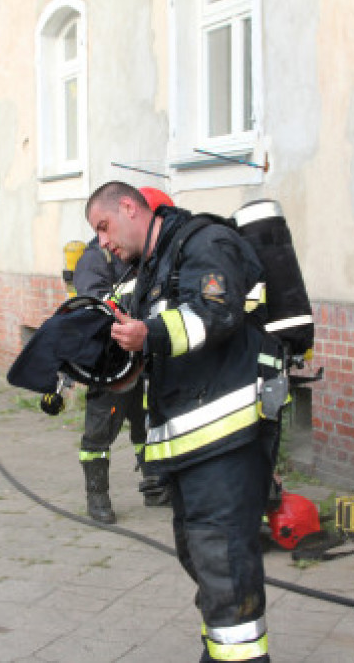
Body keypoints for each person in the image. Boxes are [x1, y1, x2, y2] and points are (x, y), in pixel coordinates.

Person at [85, 181, 273, 662]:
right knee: (202, 558)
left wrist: (148, 333)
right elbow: (154, 354)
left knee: (224, 566)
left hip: (227, 440)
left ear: (130, 207)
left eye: (104, 226)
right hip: (191, 448)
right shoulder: (152, 270)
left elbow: (216, 311)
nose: (102, 242)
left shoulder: (205, 243)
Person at [72, 188, 174, 522]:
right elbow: (93, 308)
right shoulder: (96, 259)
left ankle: (156, 487)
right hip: (111, 366)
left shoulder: (148, 257)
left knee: (147, 428)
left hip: (145, 361)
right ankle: (97, 497)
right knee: (99, 433)